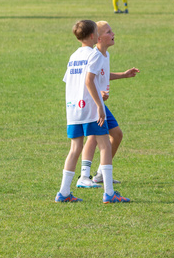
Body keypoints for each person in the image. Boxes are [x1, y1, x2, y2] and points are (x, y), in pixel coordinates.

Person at [55, 20, 129, 203]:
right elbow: (88, 80)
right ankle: (109, 193)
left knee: (75, 149)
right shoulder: (94, 55)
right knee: (104, 146)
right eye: (97, 32)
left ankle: (63, 193)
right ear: (91, 36)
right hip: (89, 109)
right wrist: (98, 105)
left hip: (73, 109)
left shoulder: (73, 56)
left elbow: (71, 81)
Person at [78, 21, 140, 189]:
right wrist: (99, 95)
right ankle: (84, 175)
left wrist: (124, 75)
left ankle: (100, 175)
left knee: (117, 135)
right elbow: (88, 80)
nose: (113, 33)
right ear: (98, 38)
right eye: (109, 31)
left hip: (100, 104)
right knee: (93, 137)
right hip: (94, 104)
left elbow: (103, 76)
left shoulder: (105, 55)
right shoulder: (95, 55)